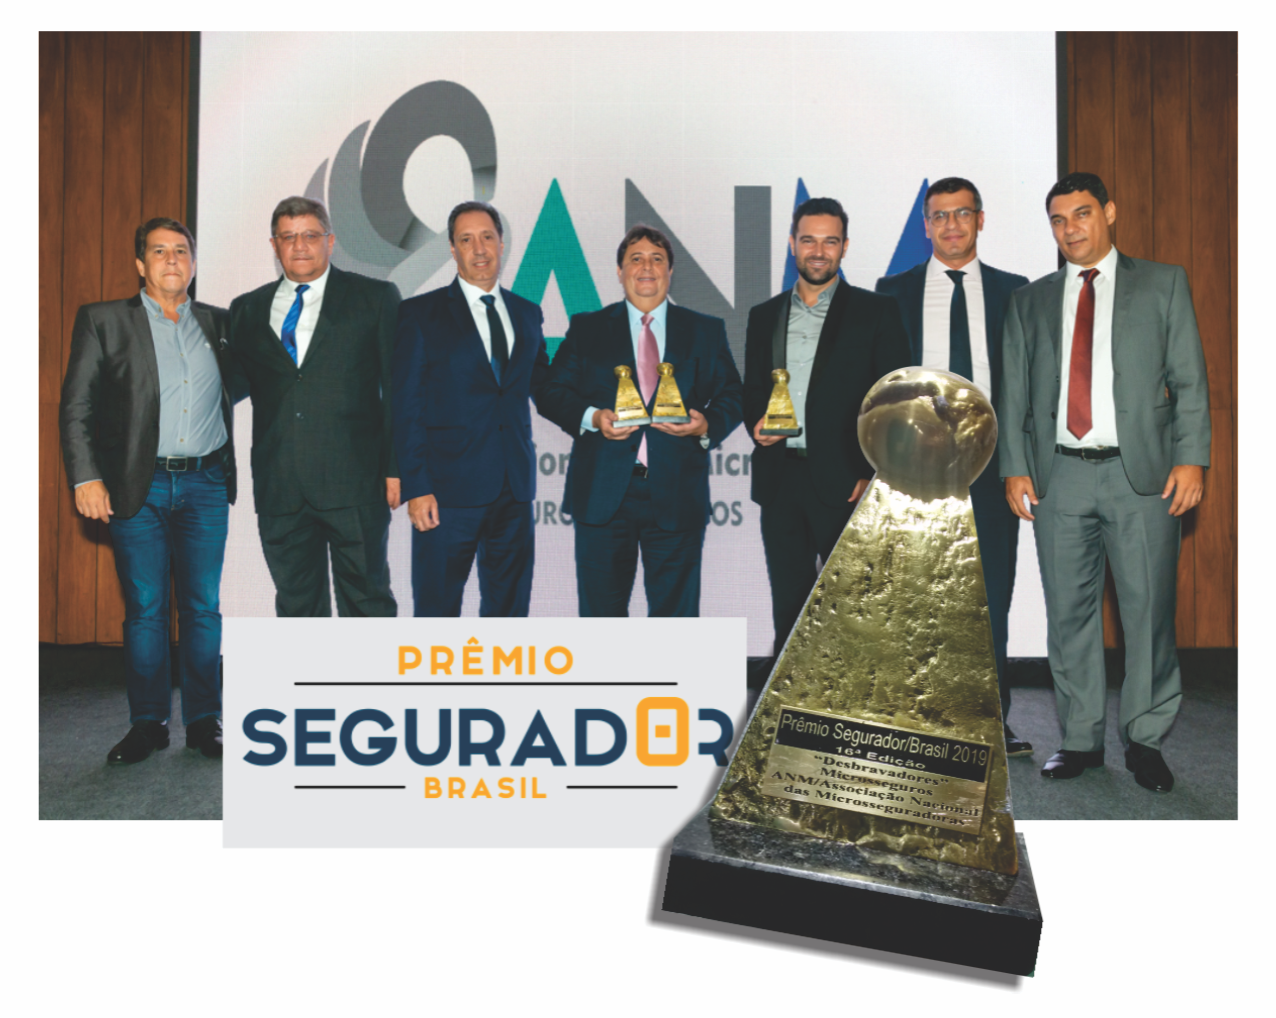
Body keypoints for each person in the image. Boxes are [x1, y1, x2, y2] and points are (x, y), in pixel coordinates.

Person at [999, 172, 1210, 791]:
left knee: (1148, 614)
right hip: (1058, 477)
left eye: (1083, 214)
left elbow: (1190, 379)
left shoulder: (1163, 284)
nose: (1070, 229)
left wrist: (1192, 458)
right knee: (1068, 614)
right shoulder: (1029, 301)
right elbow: (1013, 394)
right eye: (1058, 220)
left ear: (1109, 213)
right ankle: (1081, 740)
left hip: (1141, 477)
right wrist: (1014, 465)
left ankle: (1145, 740)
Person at [60, 217, 236, 762]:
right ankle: (149, 724)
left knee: (203, 607)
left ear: (194, 263)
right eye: (159, 251)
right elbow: (77, 405)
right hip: (138, 486)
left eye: (181, 250)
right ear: (140, 264)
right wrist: (86, 476)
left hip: (206, 483)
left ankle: (204, 721)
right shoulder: (104, 320)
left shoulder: (220, 323)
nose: (171, 259)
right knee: (146, 609)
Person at [875, 177, 1032, 756]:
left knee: (990, 594)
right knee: (917, 592)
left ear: (980, 219)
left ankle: (990, 720)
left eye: (962, 213)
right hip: (916, 468)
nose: (951, 225)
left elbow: (1026, 383)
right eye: (939, 216)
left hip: (992, 465)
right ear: (926, 226)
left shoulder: (1015, 291)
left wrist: (1022, 462)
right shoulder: (893, 291)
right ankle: (920, 720)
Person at [537, 224, 743, 616]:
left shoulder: (705, 330)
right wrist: (593, 417)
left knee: (676, 621)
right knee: (601, 620)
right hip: (602, 495)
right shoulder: (587, 328)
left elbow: (733, 392)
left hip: (677, 495)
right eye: (636, 259)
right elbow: (550, 391)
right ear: (620, 271)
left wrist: (706, 425)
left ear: (670, 271)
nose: (646, 267)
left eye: (657, 259)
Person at [746, 197, 911, 658]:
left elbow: (894, 401)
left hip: (848, 484)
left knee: (855, 608)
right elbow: (753, 390)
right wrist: (756, 424)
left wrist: (871, 473)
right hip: (780, 481)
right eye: (808, 240)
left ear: (844, 246)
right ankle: (787, 699)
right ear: (792, 244)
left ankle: (850, 702)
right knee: (789, 605)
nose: (818, 251)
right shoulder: (764, 315)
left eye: (830, 241)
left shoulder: (876, 311)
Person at [228, 197, 401, 617]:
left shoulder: (375, 298)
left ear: (331, 241)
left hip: (356, 484)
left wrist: (397, 468)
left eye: (310, 235)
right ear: (274, 245)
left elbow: (398, 389)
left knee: (368, 603)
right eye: (288, 237)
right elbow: (225, 388)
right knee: (296, 610)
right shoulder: (247, 308)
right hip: (281, 486)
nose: (299, 245)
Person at [392, 201, 549, 616]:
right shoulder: (419, 314)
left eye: (487, 237)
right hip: (445, 494)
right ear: (452, 249)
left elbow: (546, 389)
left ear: (502, 244)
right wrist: (417, 487)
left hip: (514, 491)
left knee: (510, 612)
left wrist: (593, 415)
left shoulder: (528, 314)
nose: (479, 249)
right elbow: (405, 407)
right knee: (437, 611)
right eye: (466, 239)